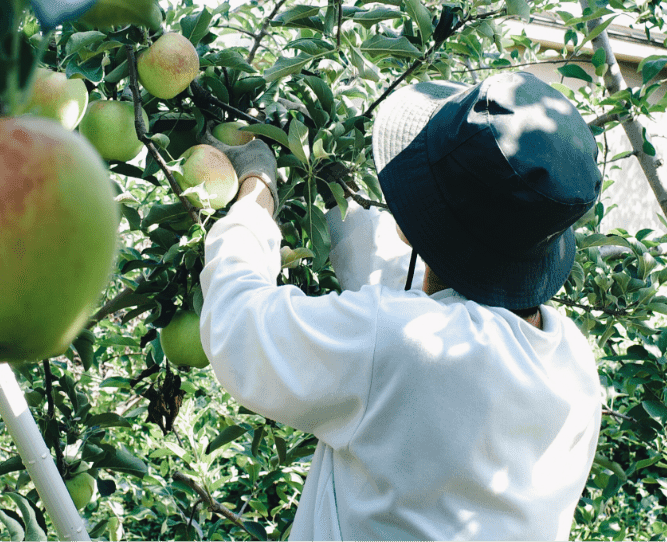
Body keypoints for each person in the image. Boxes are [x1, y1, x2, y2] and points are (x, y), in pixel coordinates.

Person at [199, 71, 604, 540]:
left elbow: (239, 324)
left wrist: (256, 187)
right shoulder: (574, 363)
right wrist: (327, 188)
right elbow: (403, 287)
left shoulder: (401, 346)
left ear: (413, 224)